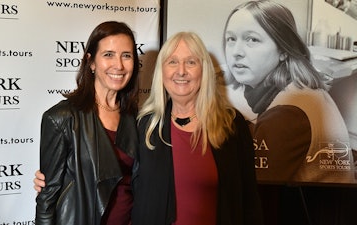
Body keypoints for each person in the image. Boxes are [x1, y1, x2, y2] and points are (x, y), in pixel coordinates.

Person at [131, 31, 263, 225]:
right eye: (172, 62)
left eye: (191, 62)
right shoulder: (146, 126)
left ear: (204, 70)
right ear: (162, 71)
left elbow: (249, 200)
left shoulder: (231, 124)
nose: (181, 71)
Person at [223, 0, 355, 184]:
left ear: (284, 50)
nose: (236, 52)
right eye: (231, 39)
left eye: (252, 39)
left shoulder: (287, 115)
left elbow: (248, 197)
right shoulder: (298, 87)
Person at [35, 21, 139, 225]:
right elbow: (47, 198)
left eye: (126, 55)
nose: (118, 65)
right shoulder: (62, 118)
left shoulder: (136, 118)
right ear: (91, 62)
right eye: (108, 54)